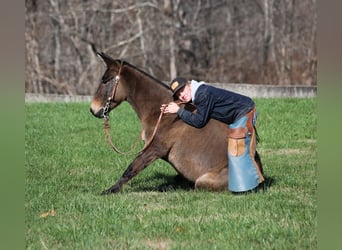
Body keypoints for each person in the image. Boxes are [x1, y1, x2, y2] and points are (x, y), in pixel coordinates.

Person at [160, 77, 264, 192]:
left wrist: (178, 111)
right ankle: (248, 184)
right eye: (178, 95)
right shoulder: (197, 94)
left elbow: (199, 121)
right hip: (236, 116)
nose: (181, 96)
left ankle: (255, 186)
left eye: (182, 90)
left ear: (189, 85)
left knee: (238, 151)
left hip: (244, 111)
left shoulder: (202, 94)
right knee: (238, 150)